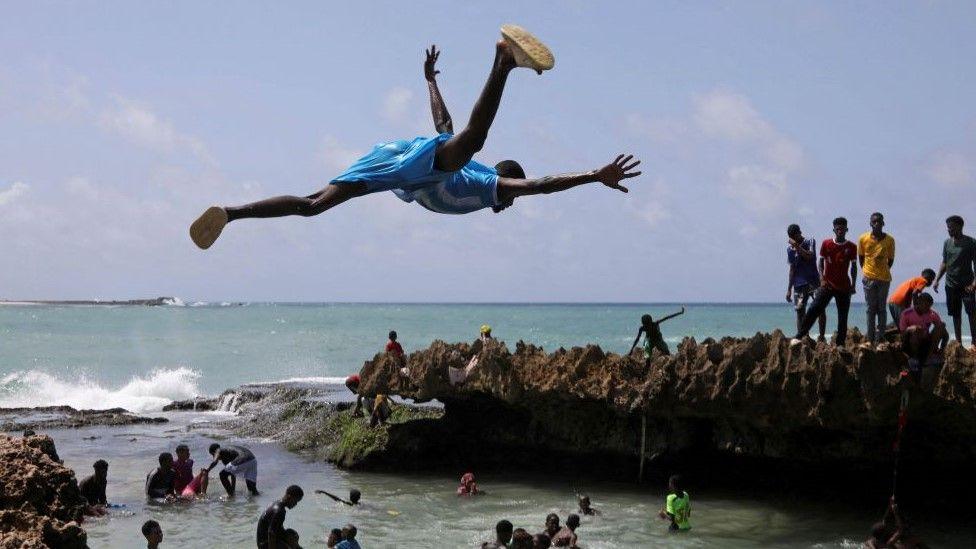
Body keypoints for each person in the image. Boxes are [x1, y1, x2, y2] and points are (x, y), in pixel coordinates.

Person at [190, 29, 641, 251]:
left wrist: (428, 80)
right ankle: (503, 61)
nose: (509, 206)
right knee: (473, 140)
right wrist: (592, 175)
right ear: (505, 187)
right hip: (420, 167)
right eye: (510, 198)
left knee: (313, 205)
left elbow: (442, 122)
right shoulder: (491, 187)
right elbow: (540, 185)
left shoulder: (465, 171)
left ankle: (231, 213)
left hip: (395, 157)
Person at [793, 217, 858, 347]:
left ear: (847, 230)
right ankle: (799, 336)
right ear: (834, 229)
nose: (840, 231)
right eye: (837, 229)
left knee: (842, 317)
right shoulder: (826, 244)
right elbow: (821, 262)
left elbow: (854, 267)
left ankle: (840, 344)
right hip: (827, 285)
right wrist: (822, 278)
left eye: (842, 229)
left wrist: (853, 285)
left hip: (844, 286)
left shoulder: (851, 247)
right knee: (814, 308)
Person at [933, 215, 976, 347]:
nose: (949, 230)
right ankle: (959, 342)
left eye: (951, 227)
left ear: (960, 226)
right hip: (951, 284)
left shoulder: (971, 242)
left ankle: (974, 342)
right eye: (948, 228)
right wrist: (937, 279)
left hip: (967, 284)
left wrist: (974, 284)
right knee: (955, 314)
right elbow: (945, 263)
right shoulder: (947, 243)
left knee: (972, 313)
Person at [859, 212, 896, 345]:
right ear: (870, 223)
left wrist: (882, 271)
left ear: (883, 223)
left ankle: (880, 337)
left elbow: (890, 260)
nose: (877, 224)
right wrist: (868, 272)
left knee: (881, 308)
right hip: (868, 277)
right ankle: (870, 338)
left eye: (879, 221)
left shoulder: (890, 240)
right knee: (870, 309)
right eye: (874, 221)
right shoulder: (863, 238)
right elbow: (861, 258)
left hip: (884, 279)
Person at [787, 224, 827, 340]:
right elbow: (792, 269)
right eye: (791, 237)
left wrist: (798, 247)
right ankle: (803, 337)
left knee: (820, 309)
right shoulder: (790, 249)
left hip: (814, 282)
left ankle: (822, 336)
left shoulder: (810, 241)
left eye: (795, 236)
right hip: (799, 285)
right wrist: (789, 289)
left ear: (800, 233)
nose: (794, 239)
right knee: (800, 311)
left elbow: (810, 256)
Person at [899, 293, 949, 373]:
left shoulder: (932, 314)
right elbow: (902, 333)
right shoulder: (906, 313)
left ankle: (928, 358)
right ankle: (914, 359)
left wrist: (941, 350)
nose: (927, 309)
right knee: (916, 330)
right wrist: (911, 328)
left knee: (941, 325)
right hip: (910, 343)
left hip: (925, 342)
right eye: (925, 305)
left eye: (929, 306)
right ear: (918, 302)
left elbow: (945, 335)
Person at [864, 496, 929, 548]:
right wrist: (895, 512)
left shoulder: (874, 540)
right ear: (884, 532)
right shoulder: (889, 543)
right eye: (884, 526)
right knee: (916, 540)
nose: (885, 524)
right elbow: (900, 529)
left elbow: (884, 520)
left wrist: (890, 505)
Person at [256, 485, 303, 549]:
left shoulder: (277, 504)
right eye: (296, 501)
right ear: (290, 497)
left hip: (267, 539)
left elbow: (277, 528)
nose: (295, 504)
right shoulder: (279, 511)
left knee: (293, 535)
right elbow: (271, 533)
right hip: (264, 544)